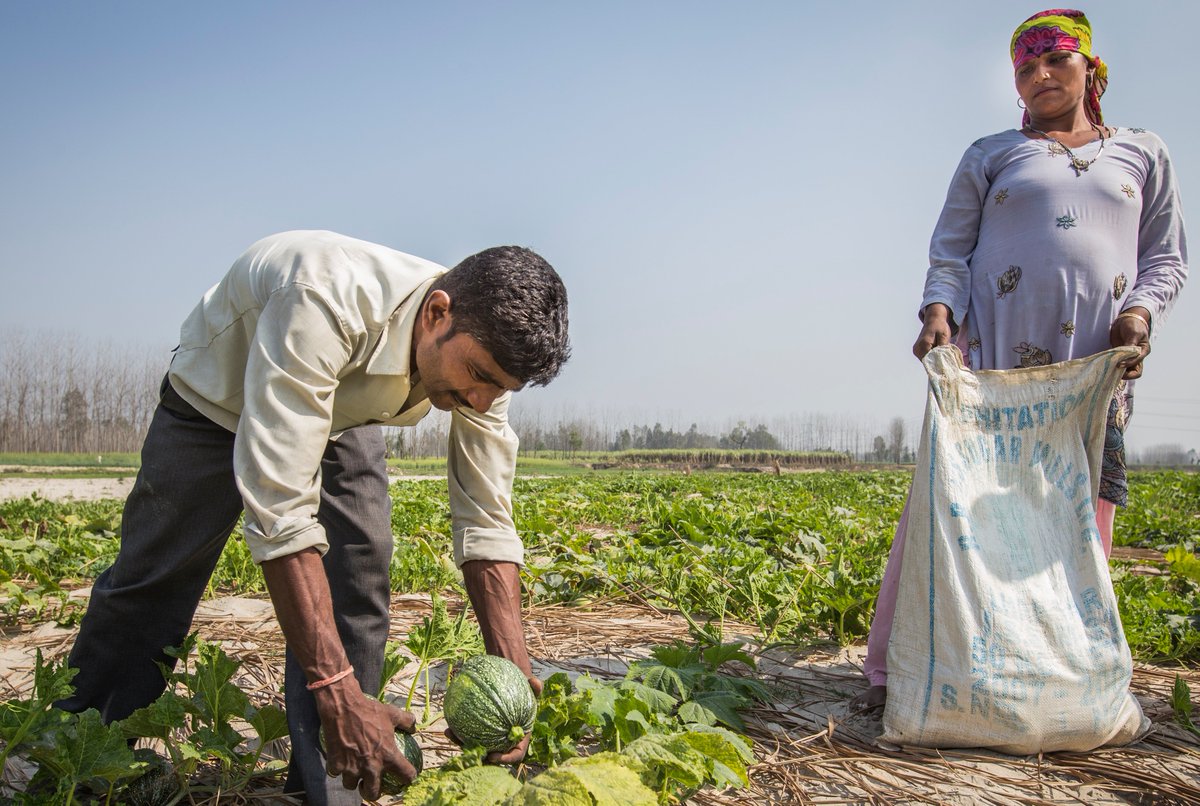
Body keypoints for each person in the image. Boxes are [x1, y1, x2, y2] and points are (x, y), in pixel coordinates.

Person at [57, 229, 571, 803]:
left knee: (360, 566)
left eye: (498, 389)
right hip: (215, 400)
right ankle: (82, 757)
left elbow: (486, 518)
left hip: (342, 411)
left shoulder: (484, 351)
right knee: (155, 578)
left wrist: (512, 670)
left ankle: (334, 781)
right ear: (436, 313)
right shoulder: (323, 299)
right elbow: (281, 514)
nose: (482, 399)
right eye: (478, 376)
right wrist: (334, 688)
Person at [854, 9, 1188, 712]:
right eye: (1025, 67)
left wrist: (1139, 314)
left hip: (1090, 368)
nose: (1040, 75)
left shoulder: (1142, 152)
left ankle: (1061, 681)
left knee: (1075, 519)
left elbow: (1166, 258)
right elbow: (948, 253)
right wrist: (938, 314)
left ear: (1089, 69)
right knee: (957, 515)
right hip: (993, 367)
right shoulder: (990, 154)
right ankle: (900, 674)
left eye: (1055, 61)